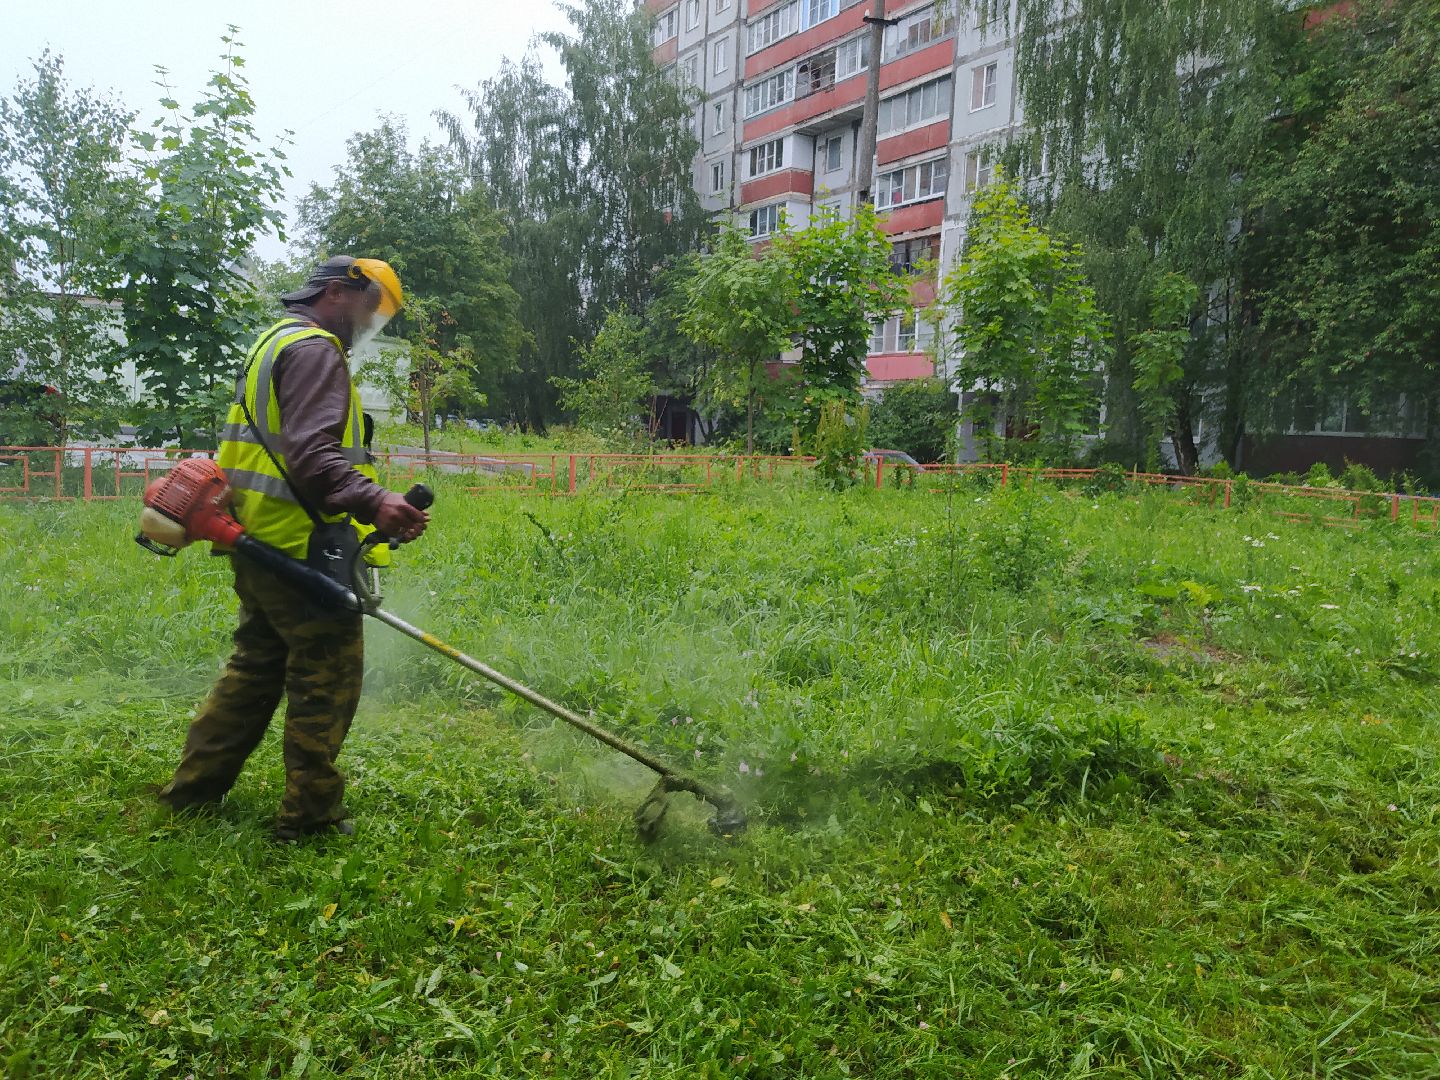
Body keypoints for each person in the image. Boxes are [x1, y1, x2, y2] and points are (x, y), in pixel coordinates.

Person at [158, 255, 429, 841]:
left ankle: (193, 791)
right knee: (326, 679)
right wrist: (375, 500)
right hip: (301, 547)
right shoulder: (315, 351)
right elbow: (312, 457)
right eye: (370, 308)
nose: (369, 323)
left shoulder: (273, 342)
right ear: (336, 291)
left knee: (254, 670)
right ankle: (309, 818)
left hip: (257, 542)